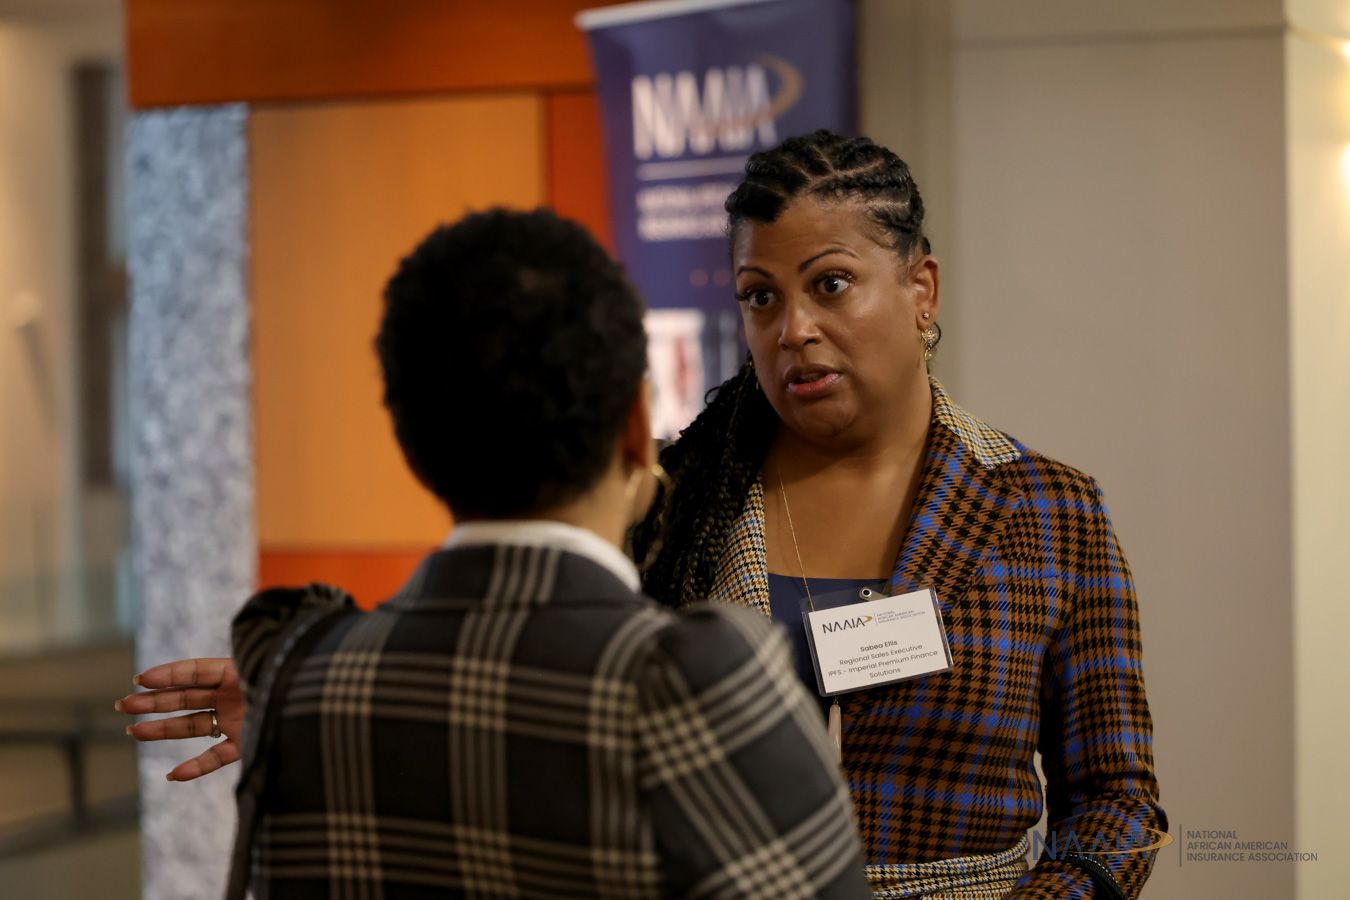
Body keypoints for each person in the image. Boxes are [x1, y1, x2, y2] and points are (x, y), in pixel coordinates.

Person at [122, 131, 1166, 898]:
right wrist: (329, 693)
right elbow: (522, 645)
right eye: (760, 296)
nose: (794, 330)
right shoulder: (666, 494)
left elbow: (1120, 802)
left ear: (921, 288)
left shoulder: (1048, 511)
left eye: (832, 285)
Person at [120, 208, 870, 899]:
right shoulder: (692, 684)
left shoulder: (302, 680)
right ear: (635, 427)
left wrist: (294, 691)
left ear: (414, 450)